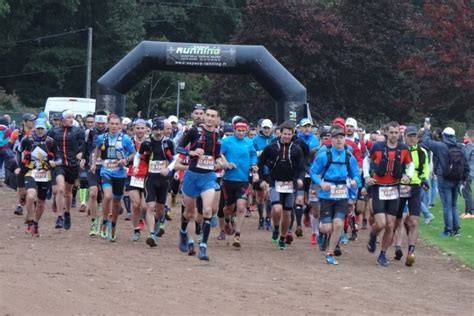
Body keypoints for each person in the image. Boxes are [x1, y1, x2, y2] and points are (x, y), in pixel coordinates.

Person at [177, 107, 224, 261]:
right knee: (189, 213)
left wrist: (219, 162)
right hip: (192, 176)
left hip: (208, 177)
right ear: (204, 117)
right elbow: (178, 147)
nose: (209, 118)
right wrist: (191, 152)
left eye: (213, 116)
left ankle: (203, 247)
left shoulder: (219, 134)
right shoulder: (194, 132)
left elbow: (216, 155)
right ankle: (183, 231)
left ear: (217, 119)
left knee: (208, 210)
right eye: (207, 115)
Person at [364, 121, 414, 266]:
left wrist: (408, 176)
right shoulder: (377, 147)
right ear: (386, 133)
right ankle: (373, 235)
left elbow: (410, 165)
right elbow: (367, 161)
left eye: (396, 132)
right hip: (379, 187)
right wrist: (367, 176)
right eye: (391, 132)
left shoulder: (404, 149)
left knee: (391, 224)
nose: (393, 135)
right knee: (380, 223)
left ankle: (383, 254)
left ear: (400, 134)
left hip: (394, 188)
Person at [310, 127, 360, 264]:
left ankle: (330, 253)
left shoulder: (349, 157)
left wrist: (356, 182)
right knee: (326, 227)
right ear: (331, 140)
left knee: (338, 224)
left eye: (341, 137)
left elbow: (356, 174)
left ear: (345, 140)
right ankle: (321, 233)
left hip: (342, 194)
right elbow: (313, 172)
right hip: (327, 194)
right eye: (336, 137)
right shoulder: (324, 155)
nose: (339, 140)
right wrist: (320, 183)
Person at [257, 121, 305, 250]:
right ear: (280, 133)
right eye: (285, 134)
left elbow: (301, 168)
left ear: (293, 134)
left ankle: (283, 238)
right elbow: (260, 163)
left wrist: (300, 179)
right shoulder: (271, 147)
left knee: (287, 213)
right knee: (277, 209)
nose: (287, 136)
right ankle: (276, 228)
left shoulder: (296, 149)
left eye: (290, 134)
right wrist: (262, 179)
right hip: (275, 182)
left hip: (290, 184)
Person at [91, 114, 135, 242]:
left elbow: (133, 153)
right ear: (108, 124)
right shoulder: (102, 138)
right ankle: (104, 221)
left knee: (116, 201)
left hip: (120, 173)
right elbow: (97, 150)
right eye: (112, 124)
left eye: (117, 124)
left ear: (120, 125)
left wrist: (125, 160)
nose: (114, 126)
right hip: (106, 171)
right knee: (108, 196)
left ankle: (114, 224)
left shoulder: (125, 139)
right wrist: (94, 163)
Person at [422, 123, 469, 236]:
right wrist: (464, 179)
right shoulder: (460, 146)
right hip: (457, 179)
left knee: (447, 206)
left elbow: (426, 141)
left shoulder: (441, 146)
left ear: (444, 135)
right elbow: (465, 165)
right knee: (454, 205)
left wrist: (427, 129)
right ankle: (456, 230)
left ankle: (448, 230)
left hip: (444, 179)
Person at [134, 118, 174, 247]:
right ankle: (151, 235)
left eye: (160, 129)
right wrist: (135, 166)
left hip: (164, 179)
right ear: (151, 130)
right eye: (156, 129)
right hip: (150, 178)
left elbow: (176, 158)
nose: (158, 132)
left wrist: (168, 169)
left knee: (160, 210)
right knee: (150, 206)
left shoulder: (168, 143)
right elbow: (137, 155)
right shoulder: (147, 143)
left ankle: (157, 222)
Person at [393, 126, 430, 266]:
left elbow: (425, 168)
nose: (412, 138)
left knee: (414, 220)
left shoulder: (422, 152)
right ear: (405, 137)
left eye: (414, 136)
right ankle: (397, 246)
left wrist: (424, 179)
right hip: (400, 186)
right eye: (410, 136)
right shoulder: (398, 150)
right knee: (397, 220)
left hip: (415, 187)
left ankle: (411, 252)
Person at [221, 117, 257, 248]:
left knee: (241, 207)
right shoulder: (226, 142)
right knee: (229, 208)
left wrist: (253, 164)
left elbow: (253, 155)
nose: (241, 133)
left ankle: (237, 235)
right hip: (229, 180)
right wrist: (226, 163)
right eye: (239, 130)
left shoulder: (249, 142)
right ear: (234, 130)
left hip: (243, 180)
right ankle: (227, 220)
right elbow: (218, 153)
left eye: (243, 130)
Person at [20, 118, 59, 236]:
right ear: (34, 129)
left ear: (45, 129)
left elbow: (59, 157)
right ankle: (30, 221)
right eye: (38, 128)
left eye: (42, 129)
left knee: (41, 202)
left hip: (45, 174)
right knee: (31, 196)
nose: (40, 131)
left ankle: (36, 224)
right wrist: (19, 166)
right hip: (31, 172)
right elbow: (19, 153)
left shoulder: (50, 141)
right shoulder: (27, 140)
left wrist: (54, 163)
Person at [48, 110, 85, 230]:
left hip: (72, 165)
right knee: (60, 189)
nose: (71, 119)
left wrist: (81, 154)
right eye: (69, 117)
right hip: (59, 164)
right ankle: (59, 217)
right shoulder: (54, 131)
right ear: (63, 119)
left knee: (68, 192)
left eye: (72, 117)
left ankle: (67, 213)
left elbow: (83, 146)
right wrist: (50, 159)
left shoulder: (78, 131)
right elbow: (47, 146)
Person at [81, 111, 108, 236]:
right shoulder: (89, 132)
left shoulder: (110, 134)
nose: (101, 125)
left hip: (107, 167)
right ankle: (94, 222)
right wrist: (83, 159)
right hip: (92, 166)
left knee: (106, 196)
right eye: (99, 123)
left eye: (103, 123)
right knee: (92, 193)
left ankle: (104, 222)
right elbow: (85, 147)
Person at [253, 119, 275, 230]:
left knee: (269, 195)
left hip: (271, 170)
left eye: (268, 128)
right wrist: (260, 153)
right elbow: (252, 152)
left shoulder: (275, 139)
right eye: (265, 128)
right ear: (261, 128)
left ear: (272, 128)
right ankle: (261, 218)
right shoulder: (256, 139)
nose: (266, 130)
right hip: (259, 169)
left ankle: (268, 218)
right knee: (260, 196)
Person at [461, 130, 474, 218]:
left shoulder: (469, 146)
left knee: (467, 192)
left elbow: (465, 157)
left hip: (468, 172)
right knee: (465, 191)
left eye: (466, 136)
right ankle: (466, 212)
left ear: (470, 137)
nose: (464, 137)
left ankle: (471, 212)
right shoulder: (468, 146)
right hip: (469, 172)